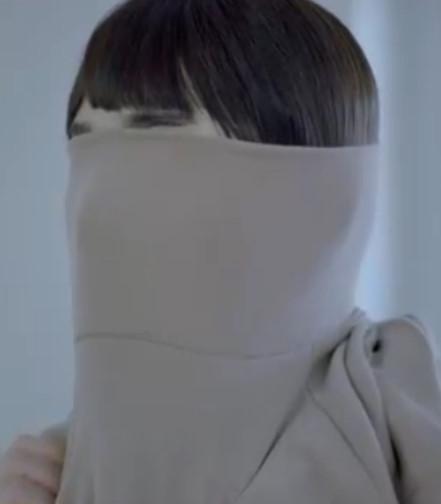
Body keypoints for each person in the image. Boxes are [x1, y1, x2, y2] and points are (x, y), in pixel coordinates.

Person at [2, 1, 441, 503]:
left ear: (310, 188)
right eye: (85, 144)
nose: (100, 196)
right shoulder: (50, 472)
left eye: (156, 134)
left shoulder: (415, 456)